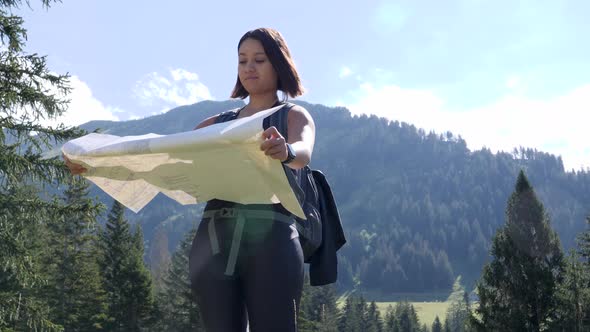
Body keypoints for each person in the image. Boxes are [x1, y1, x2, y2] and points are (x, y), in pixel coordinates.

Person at [64, 27, 315, 331]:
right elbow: (163, 162)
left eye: (259, 60)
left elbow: (303, 152)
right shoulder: (214, 125)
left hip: (273, 238)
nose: (249, 67)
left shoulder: (292, 115)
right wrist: (97, 167)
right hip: (213, 240)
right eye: (242, 60)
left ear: (278, 63)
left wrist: (285, 150)